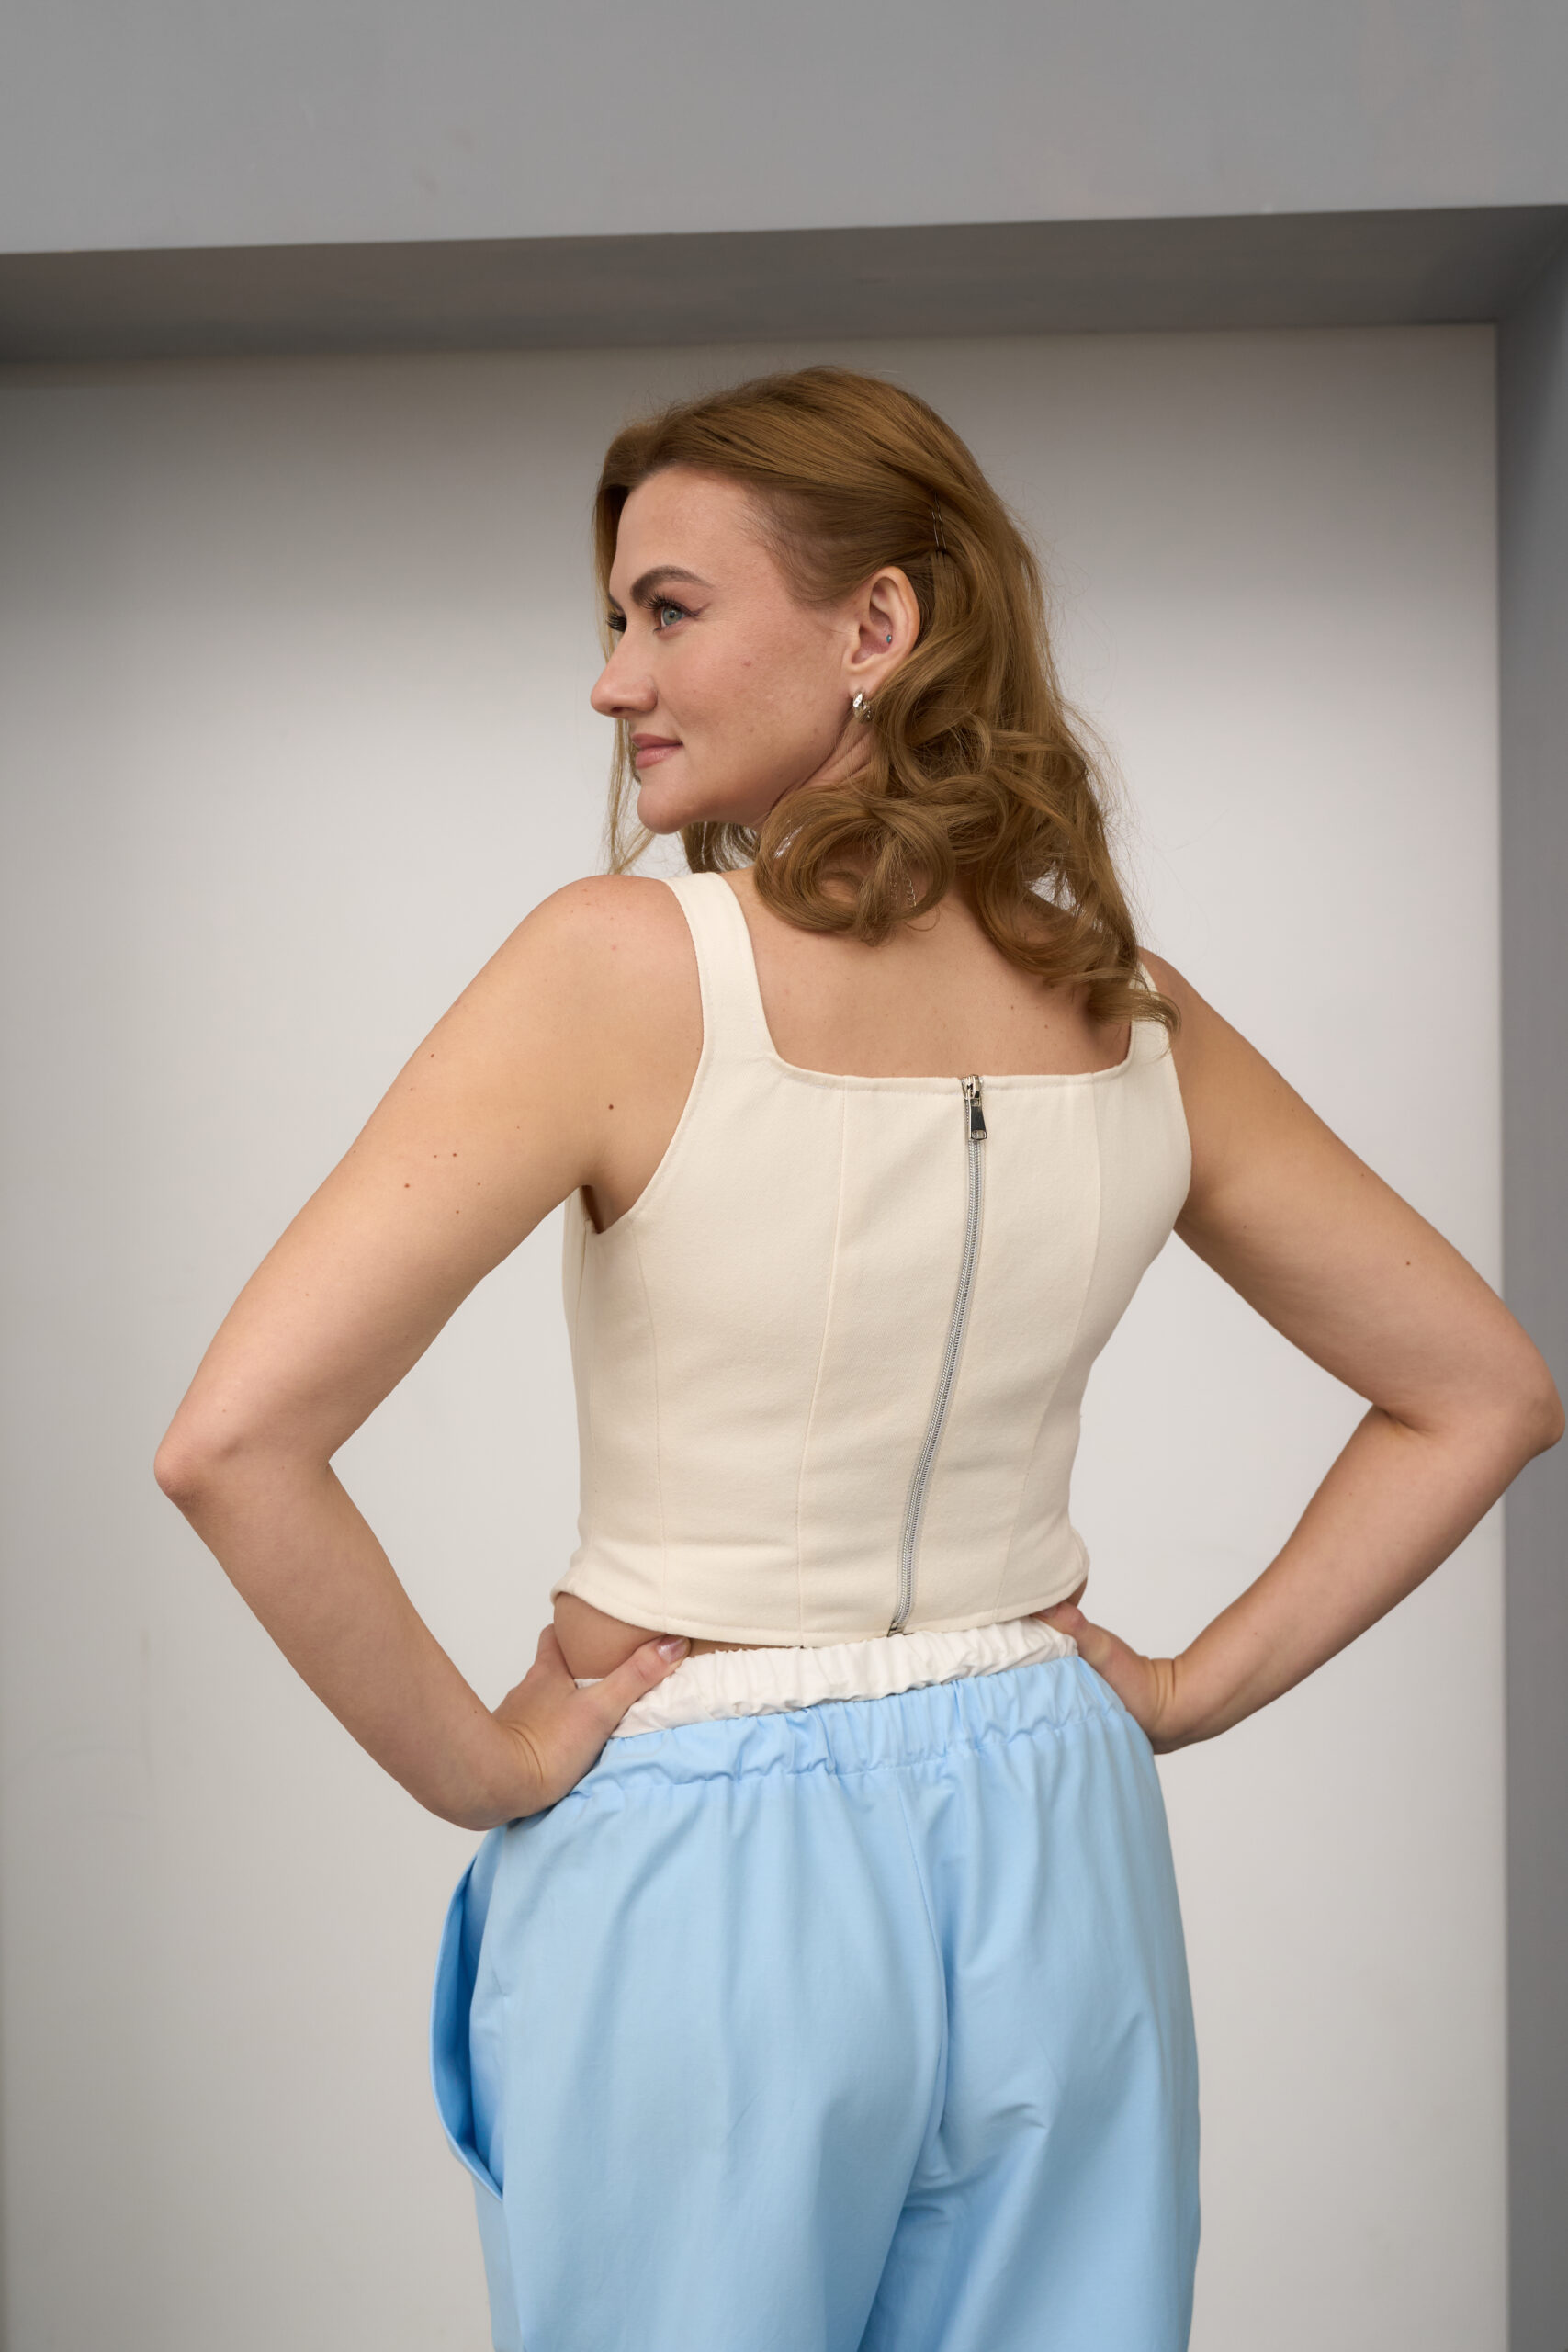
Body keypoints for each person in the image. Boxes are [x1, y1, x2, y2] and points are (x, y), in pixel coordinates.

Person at [153, 364, 1562, 2352]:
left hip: (700, 1855)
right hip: (1060, 1841)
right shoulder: (1127, 1008)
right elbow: (1484, 1387)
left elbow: (230, 1441)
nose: (612, 681)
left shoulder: (614, 962)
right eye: (615, 620)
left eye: (666, 610)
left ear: (876, 624)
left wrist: (489, 1763)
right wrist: (1171, 1695)